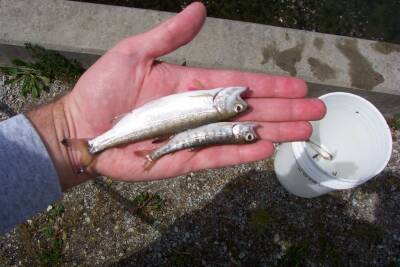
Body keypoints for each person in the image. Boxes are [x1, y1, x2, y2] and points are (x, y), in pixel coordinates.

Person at [0, 2, 325, 234]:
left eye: (235, 107)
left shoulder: (215, 105)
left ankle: (91, 147)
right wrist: (66, 128)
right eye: (237, 107)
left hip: (132, 126)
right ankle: (88, 148)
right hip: (135, 127)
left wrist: (67, 131)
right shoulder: (218, 106)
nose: (239, 103)